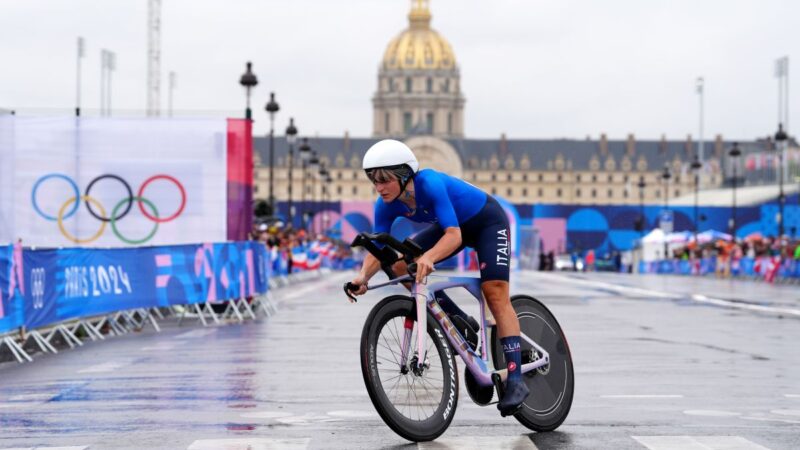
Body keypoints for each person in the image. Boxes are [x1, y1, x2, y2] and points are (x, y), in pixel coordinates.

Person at [347, 139, 529, 416]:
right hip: (452, 228)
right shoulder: (384, 205)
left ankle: (516, 379)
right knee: (397, 264)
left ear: (405, 174)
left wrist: (429, 257)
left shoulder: (429, 183)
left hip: (486, 222)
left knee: (494, 292)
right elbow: (379, 247)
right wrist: (362, 276)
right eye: (373, 180)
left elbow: (454, 235)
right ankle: (458, 322)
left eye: (384, 180)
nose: (379, 187)